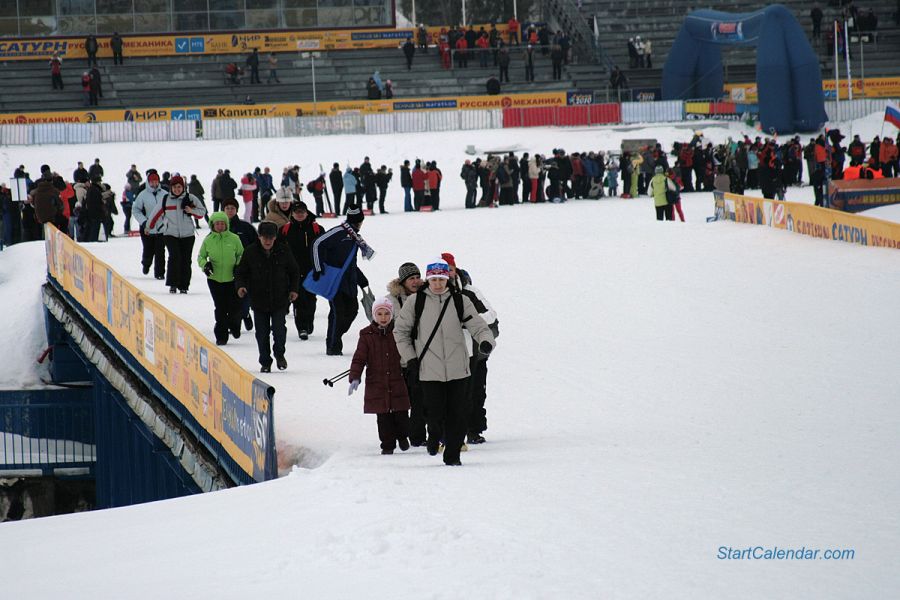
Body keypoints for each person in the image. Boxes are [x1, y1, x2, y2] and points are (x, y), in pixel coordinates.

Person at [393, 257, 494, 466]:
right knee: (434, 411)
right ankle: (434, 434)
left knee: (458, 412)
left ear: (447, 279)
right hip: (429, 368)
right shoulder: (416, 302)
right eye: (434, 280)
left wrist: (485, 342)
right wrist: (410, 358)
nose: (438, 284)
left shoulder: (460, 300)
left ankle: (453, 456)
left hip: (459, 367)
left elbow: (479, 326)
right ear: (428, 280)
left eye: (441, 279)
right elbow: (400, 332)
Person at [442, 252, 498, 445]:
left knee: (476, 391)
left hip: (475, 353)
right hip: (445, 354)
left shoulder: (470, 291)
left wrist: (470, 322)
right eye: (443, 270)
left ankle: (474, 430)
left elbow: (491, 314)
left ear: (455, 269)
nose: (446, 274)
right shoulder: (432, 293)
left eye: (449, 269)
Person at [348, 297, 411, 455]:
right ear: (374, 315)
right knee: (383, 418)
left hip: (397, 380)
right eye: (380, 314)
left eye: (386, 314)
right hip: (377, 383)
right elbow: (359, 358)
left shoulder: (398, 332)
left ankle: (403, 436)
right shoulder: (366, 335)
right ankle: (387, 445)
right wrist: (355, 376)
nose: (383, 318)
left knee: (401, 414)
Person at [235, 221, 300, 372]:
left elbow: (294, 271)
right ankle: (265, 361)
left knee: (279, 330)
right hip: (258, 300)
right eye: (265, 237)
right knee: (262, 333)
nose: (268, 241)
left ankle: (279, 354)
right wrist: (241, 286)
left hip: (280, 299)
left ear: (275, 238)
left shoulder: (283, 251)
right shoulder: (250, 252)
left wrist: (294, 289)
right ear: (259, 237)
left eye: (271, 238)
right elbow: (240, 272)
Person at [310, 207, 372, 356]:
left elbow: (350, 263)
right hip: (334, 281)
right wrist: (318, 268)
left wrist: (361, 280)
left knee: (352, 310)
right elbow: (316, 244)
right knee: (338, 312)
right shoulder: (338, 232)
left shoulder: (355, 237)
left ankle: (334, 338)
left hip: (349, 281)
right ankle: (333, 345)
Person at [387, 262, 426, 445]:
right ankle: (402, 434)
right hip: (401, 358)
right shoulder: (392, 300)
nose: (416, 281)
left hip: (424, 357)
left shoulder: (428, 296)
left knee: (421, 399)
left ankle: (418, 437)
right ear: (402, 282)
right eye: (412, 278)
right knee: (403, 400)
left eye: (418, 277)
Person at [148, 175, 207, 293]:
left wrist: (191, 211)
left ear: (183, 187)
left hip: (188, 234)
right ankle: (173, 284)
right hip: (170, 233)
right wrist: (149, 226)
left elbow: (202, 212)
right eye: (174, 187)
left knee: (186, 260)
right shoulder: (165, 199)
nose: (177, 189)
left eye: (179, 187)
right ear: (171, 188)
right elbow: (155, 213)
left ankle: (184, 286)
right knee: (174, 257)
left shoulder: (191, 198)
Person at [197, 212, 244, 345]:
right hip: (214, 279)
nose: (220, 226)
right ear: (212, 225)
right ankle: (221, 336)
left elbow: (241, 254)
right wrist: (205, 265)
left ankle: (235, 325)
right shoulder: (208, 240)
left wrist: (238, 266)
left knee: (233, 307)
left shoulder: (234, 239)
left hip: (232, 279)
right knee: (220, 308)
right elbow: (200, 257)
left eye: (222, 223)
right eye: (217, 224)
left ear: (226, 225)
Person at [280, 201, 323, 340]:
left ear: (306, 212)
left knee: (310, 299)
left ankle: (308, 322)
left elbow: (324, 250)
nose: (299, 215)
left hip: (312, 270)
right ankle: (302, 327)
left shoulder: (317, 228)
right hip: (292, 272)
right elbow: (278, 250)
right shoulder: (284, 230)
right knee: (298, 299)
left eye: (302, 212)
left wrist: (320, 268)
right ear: (292, 213)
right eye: (297, 212)